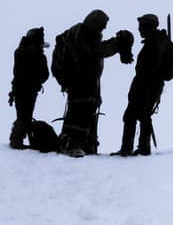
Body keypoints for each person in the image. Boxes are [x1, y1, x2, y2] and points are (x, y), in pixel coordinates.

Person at [52, 10, 133, 157]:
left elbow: (96, 52)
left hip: (85, 82)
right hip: (79, 82)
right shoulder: (81, 37)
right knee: (80, 111)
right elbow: (94, 53)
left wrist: (115, 44)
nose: (103, 28)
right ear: (95, 23)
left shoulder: (82, 35)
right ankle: (74, 145)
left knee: (85, 110)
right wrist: (117, 44)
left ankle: (85, 144)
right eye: (102, 25)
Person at [113, 13, 173, 157]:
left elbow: (149, 69)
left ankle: (129, 148)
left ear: (148, 27)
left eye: (141, 26)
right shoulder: (159, 41)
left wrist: (143, 84)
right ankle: (142, 147)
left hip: (146, 86)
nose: (139, 29)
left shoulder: (154, 43)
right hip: (151, 86)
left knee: (132, 115)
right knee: (142, 115)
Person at [8, 27, 49, 149]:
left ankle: (17, 139)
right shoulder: (37, 54)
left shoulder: (19, 52)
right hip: (29, 90)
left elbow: (17, 73)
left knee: (22, 115)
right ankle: (17, 141)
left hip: (19, 89)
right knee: (25, 116)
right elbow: (44, 74)